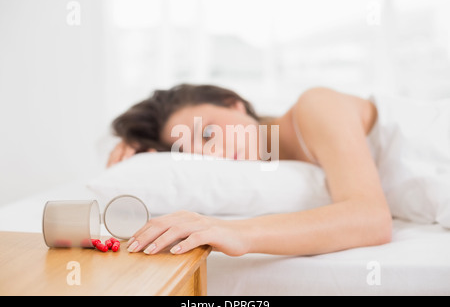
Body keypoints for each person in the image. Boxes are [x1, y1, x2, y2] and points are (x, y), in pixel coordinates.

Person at [107, 84, 392, 256]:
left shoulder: (316, 104)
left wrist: (237, 233)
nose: (212, 152)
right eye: (197, 154)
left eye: (207, 133)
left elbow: (371, 217)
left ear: (236, 105)